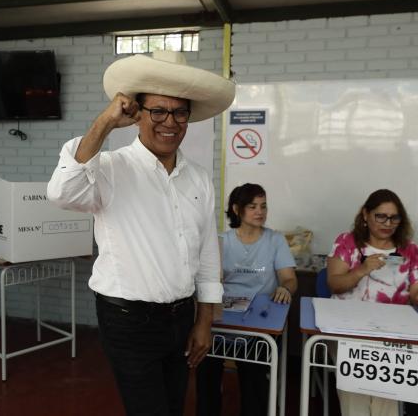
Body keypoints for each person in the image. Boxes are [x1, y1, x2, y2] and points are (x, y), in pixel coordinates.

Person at [47, 50, 235, 416]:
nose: (170, 122)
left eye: (179, 112)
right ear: (136, 114)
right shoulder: (111, 169)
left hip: (182, 317)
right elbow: (62, 192)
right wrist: (104, 122)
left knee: (175, 404)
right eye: (158, 111)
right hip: (128, 321)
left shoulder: (197, 177)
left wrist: (204, 320)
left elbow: (207, 253)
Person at [326, 188, 418, 416]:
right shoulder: (347, 243)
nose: (388, 223)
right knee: (356, 389)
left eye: (394, 217)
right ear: (366, 215)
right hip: (348, 329)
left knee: (387, 394)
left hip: (393, 332)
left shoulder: (409, 250)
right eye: (380, 216)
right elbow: (335, 284)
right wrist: (362, 270)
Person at [196, 183, 297, 416]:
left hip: (258, 323)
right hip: (224, 319)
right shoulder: (221, 240)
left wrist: (285, 289)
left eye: (263, 206)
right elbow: (212, 280)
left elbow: (289, 279)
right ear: (237, 209)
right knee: (205, 366)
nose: (260, 211)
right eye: (252, 206)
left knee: (254, 375)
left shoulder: (275, 240)